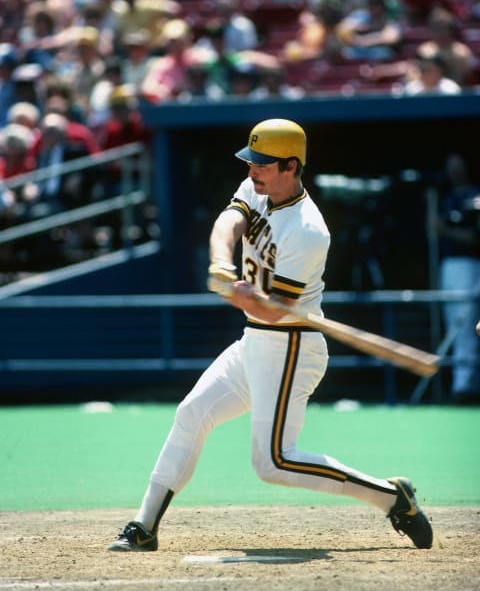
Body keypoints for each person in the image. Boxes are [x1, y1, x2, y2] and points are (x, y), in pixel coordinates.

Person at [107, 118, 433, 552]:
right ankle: (143, 525)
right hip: (255, 342)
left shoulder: (308, 230)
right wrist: (222, 264)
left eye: (263, 164)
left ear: (291, 166)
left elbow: (271, 311)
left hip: (292, 346)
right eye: (251, 161)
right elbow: (227, 223)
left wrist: (241, 295)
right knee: (192, 414)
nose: (252, 170)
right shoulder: (255, 190)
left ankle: (393, 497)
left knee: (273, 463)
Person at [432, 152, 480, 404]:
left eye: (458, 167)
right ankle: (462, 381)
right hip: (449, 265)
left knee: (466, 325)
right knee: (453, 323)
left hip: (470, 265)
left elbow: (474, 237)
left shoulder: (475, 196)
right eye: (451, 167)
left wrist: (444, 229)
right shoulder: (446, 198)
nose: (454, 172)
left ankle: (465, 386)